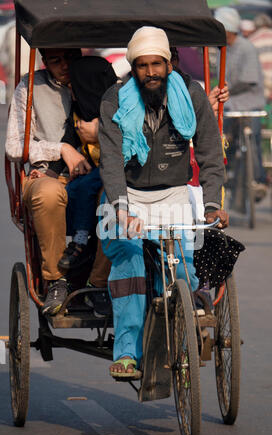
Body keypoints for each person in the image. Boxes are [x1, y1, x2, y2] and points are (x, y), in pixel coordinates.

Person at [97, 26, 228, 379]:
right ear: (134, 67)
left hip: (174, 195)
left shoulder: (193, 95)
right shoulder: (114, 99)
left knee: (184, 263)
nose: (151, 72)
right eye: (143, 65)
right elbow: (110, 162)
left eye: (157, 64)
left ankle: (181, 328)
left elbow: (211, 155)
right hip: (125, 196)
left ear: (170, 64)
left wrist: (213, 204)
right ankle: (126, 353)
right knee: (130, 260)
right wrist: (122, 209)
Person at [5, 48, 93, 316]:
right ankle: (56, 280)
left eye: (70, 58)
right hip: (46, 176)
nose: (65, 66)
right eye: (56, 61)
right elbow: (14, 145)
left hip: (95, 173)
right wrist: (61, 150)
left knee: (117, 196)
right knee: (48, 193)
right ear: (45, 63)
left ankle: (100, 280)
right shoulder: (30, 85)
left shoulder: (96, 78)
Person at [53, 56, 118, 271]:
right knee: (73, 187)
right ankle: (85, 238)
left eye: (75, 85)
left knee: (86, 184)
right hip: (98, 169)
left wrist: (99, 133)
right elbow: (68, 141)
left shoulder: (115, 109)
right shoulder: (79, 112)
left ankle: (80, 239)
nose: (71, 89)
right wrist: (51, 174)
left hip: (121, 166)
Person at [214, 7, 267, 199]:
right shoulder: (222, 50)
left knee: (253, 139)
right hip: (231, 104)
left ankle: (259, 179)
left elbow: (249, 79)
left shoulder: (246, 47)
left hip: (250, 102)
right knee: (223, 139)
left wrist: (227, 88)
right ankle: (228, 172)